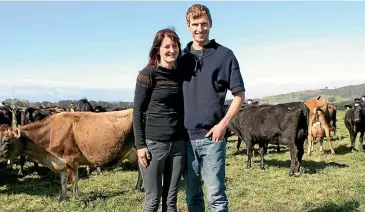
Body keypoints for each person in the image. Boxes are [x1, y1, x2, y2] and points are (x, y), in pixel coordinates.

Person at [179, 4, 245, 212]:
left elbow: (239, 95)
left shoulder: (225, 55)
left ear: (211, 24)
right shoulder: (180, 58)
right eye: (195, 24)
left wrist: (223, 125)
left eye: (204, 24)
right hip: (185, 138)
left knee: (216, 196)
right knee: (193, 197)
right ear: (188, 26)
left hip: (212, 138)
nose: (200, 29)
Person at [133, 27, 187, 212]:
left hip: (179, 144)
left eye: (175, 46)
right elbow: (138, 111)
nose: (171, 50)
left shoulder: (180, 73)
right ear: (157, 49)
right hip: (154, 144)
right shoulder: (148, 74)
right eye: (166, 46)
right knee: (153, 199)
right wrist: (140, 146)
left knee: (171, 200)